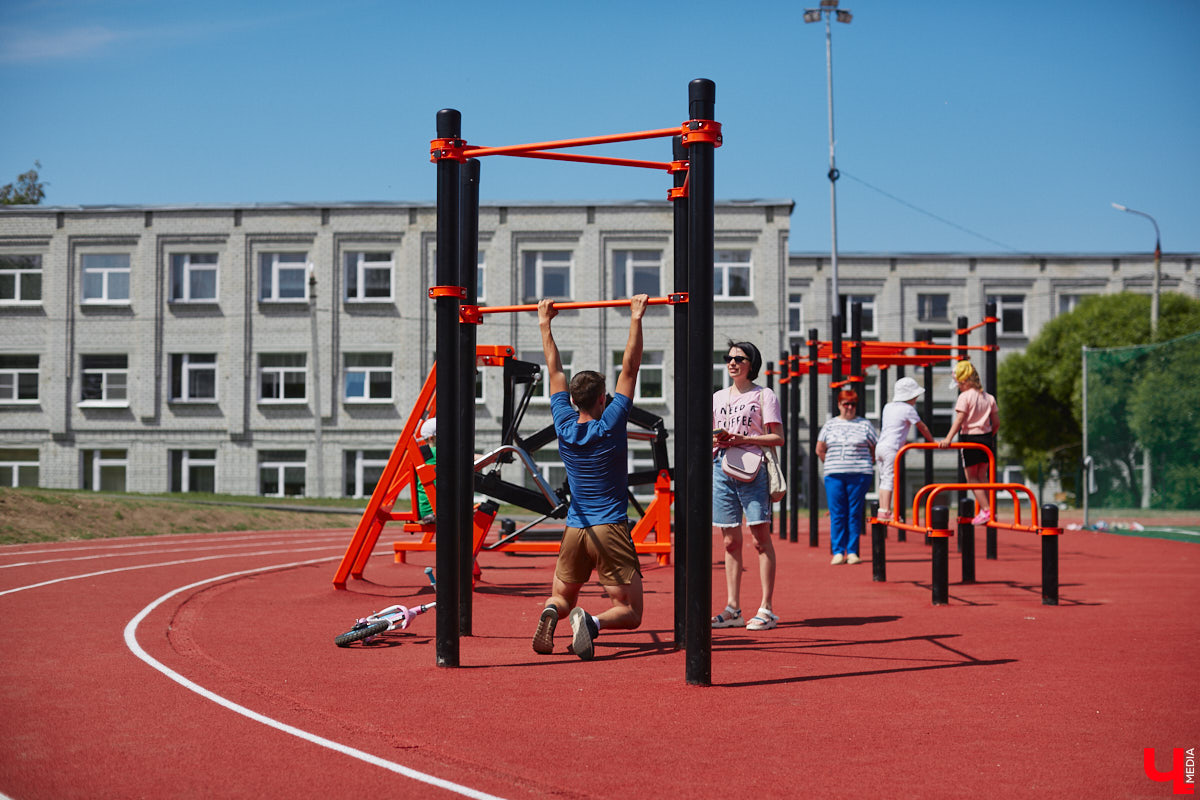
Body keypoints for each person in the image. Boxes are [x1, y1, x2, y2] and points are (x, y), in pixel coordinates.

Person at [531, 293, 650, 661]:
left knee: (562, 597)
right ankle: (592, 623)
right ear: (601, 400)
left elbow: (554, 371)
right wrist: (635, 317)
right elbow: (629, 369)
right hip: (609, 528)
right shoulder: (610, 424)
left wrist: (544, 324)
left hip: (575, 528)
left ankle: (552, 612)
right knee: (631, 612)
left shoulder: (563, 424)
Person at [710, 341, 785, 632]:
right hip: (721, 467)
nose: (732, 362)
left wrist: (742, 439)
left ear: (751, 363)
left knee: (759, 537)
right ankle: (733, 608)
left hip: (754, 468)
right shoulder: (717, 397)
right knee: (729, 541)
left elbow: (777, 437)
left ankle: (766, 608)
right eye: (728, 358)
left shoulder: (764, 395)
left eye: (739, 358)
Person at [816, 389, 878, 565]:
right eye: (846, 404)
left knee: (854, 513)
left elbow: (875, 447)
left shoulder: (865, 425)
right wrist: (831, 463)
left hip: (859, 475)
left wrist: (867, 463)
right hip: (834, 475)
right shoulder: (830, 425)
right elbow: (820, 449)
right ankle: (837, 551)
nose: (849, 408)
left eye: (853, 404)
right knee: (837, 513)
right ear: (839, 405)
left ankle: (852, 551)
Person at [940, 358, 999, 525]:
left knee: (972, 478)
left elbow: (959, 420)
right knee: (983, 476)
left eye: (959, 383)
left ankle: (986, 509)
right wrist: (989, 436)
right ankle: (989, 508)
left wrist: (948, 439)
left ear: (965, 381)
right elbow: (996, 423)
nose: (958, 386)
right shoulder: (989, 398)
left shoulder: (965, 397)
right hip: (986, 439)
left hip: (970, 439)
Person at [875, 377, 935, 521]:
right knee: (889, 478)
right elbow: (922, 427)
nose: (916, 399)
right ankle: (886, 511)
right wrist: (932, 441)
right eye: (915, 396)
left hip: (881, 446)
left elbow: (894, 428)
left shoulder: (888, 406)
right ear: (909, 396)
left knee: (884, 478)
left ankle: (882, 510)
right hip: (892, 449)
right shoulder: (908, 409)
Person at [415, 417, 437, 524]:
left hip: (427, 510)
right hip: (434, 509)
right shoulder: (436, 452)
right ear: (432, 438)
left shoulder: (423, 454)